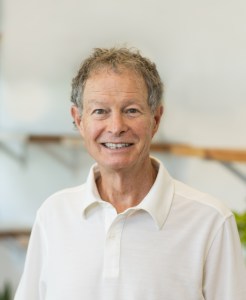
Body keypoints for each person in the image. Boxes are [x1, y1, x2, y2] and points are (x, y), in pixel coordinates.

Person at [15, 47, 246, 300]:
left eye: (131, 110)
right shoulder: (53, 215)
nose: (116, 127)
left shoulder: (210, 221)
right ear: (79, 120)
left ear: (155, 119)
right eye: (100, 111)